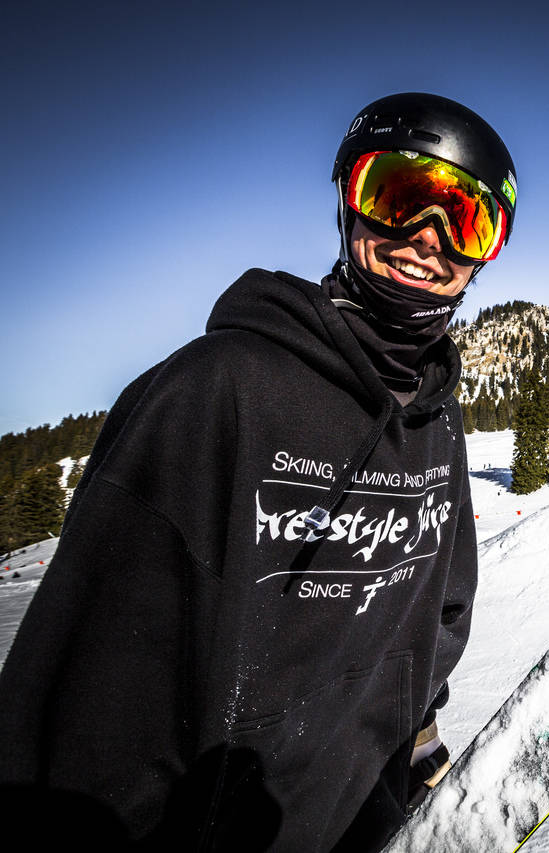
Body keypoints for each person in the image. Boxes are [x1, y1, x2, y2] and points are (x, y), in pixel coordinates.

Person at [0, 92, 518, 851]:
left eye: (465, 219)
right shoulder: (215, 390)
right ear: (350, 203)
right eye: (399, 198)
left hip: (363, 824)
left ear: (485, 253)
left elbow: (443, 606)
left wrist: (417, 732)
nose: (426, 238)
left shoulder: (436, 413)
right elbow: (80, 698)